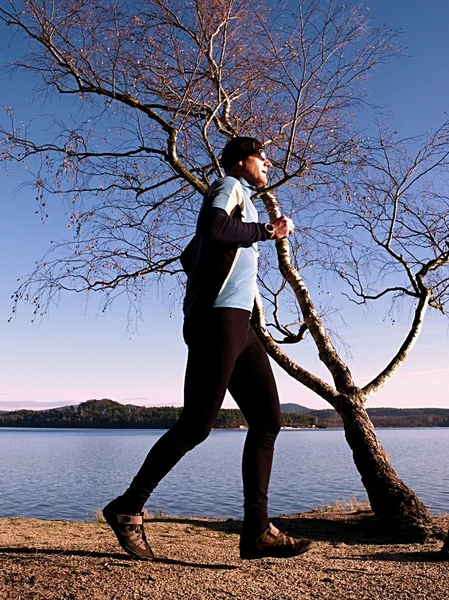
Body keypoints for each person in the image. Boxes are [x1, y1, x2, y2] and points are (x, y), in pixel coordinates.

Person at [103, 136, 313, 561]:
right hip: (218, 319)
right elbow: (213, 230)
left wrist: (219, 266)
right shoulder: (228, 186)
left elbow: (192, 253)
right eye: (262, 157)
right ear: (242, 161)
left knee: (268, 420)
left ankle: (256, 530)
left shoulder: (245, 200)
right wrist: (268, 232)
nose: (268, 163)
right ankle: (128, 507)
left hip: (242, 324)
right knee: (197, 425)